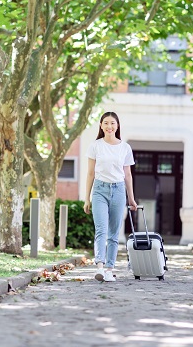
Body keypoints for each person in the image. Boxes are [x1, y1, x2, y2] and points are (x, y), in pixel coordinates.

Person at [84, 112, 137, 282]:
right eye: (106, 123)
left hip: (119, 190)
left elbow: (127, 175)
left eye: (112, 123)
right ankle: (99, 266)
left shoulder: (125, 148)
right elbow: (90, 173)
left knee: (114, 233)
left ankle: (109, 268)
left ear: (117, 125)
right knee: (101, 229)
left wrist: (131, 198)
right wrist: (87, 198)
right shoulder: (95, 146)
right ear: (101, 126)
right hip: (100, 190)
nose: (109, 126)